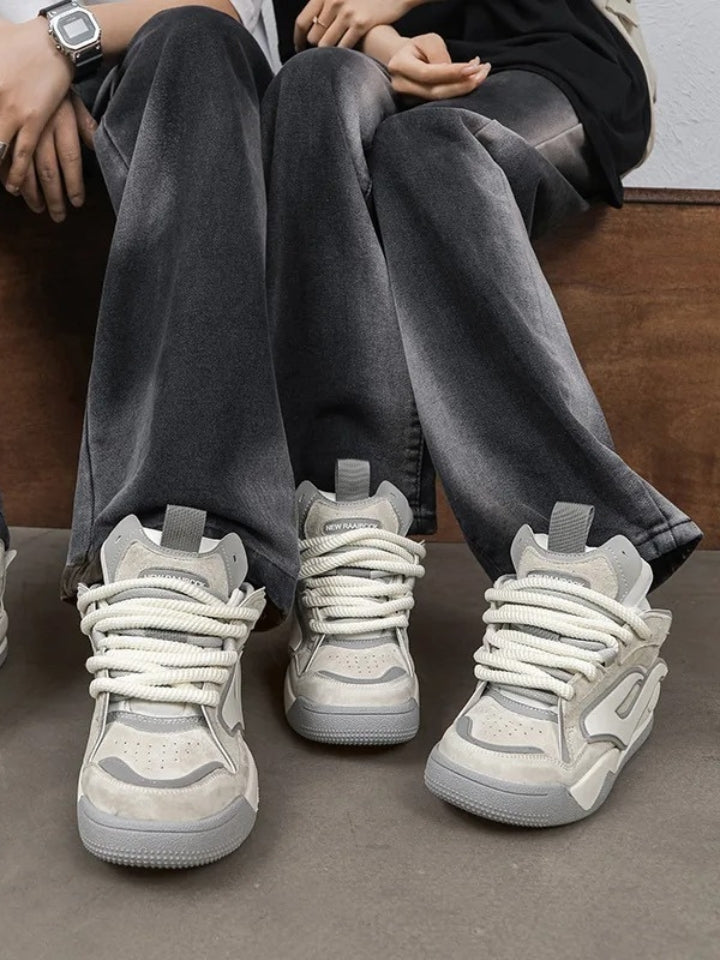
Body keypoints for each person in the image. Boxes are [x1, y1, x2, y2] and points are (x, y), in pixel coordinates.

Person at [261, 0, 703, 825]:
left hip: (549, 45)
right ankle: (352, 523)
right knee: (311, 84)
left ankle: (582, 560)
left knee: (427, 145)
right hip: (380, 55)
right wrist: (383, 39)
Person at [0, 0, 302, 868]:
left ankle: (181, 559)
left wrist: (57, 41)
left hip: (168, 76)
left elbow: (226, 6)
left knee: (197, 42)